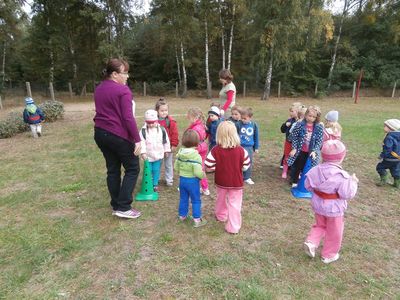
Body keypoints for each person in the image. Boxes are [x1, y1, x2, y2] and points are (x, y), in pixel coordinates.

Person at [94, 58, 142, 219]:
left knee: (113, 169)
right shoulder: (123, 90)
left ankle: (116, 204)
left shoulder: (99, 88)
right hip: (117, 135)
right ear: (114, 74)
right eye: (125, 73)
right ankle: (123, 206)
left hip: (100, 133)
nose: (127, 76)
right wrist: (137, 139)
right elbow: (128, 117)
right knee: (133, 168)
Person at [304, 139, 358, 264]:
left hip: (318, 206)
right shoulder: (342, 176)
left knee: (320, 225)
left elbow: (308, 186)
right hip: (334, 209)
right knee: (334, 231)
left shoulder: (315, 170)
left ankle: (311, 242)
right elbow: (347, 194)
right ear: (342, 157)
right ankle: (329, 255)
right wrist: (353, 182)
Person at [205, 121, 250, 234]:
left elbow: (208, 165)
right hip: (236, 182)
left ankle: (221, 215)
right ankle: (233, 227)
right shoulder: (241, 151)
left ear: (219, 135)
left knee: (221, 199)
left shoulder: (215, 150)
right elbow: (246, 166)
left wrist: (217, 168)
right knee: (235, 204)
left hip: (221, 181)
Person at [174, 129, 207, 228]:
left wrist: (182, 172)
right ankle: (197, 219)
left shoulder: (180, 154)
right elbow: (197, 172)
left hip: (182, 180)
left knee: (183, 198)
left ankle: (182, 216)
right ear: (197, 142)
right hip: (193, 181)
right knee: (196, 200)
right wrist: (203, 175)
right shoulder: (196, 156)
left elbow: (176, 167)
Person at [288, 105, 324, 188]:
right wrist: (294, 148)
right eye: (309, 115)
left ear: (317, 118)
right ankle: (294, 181)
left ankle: (308, 182)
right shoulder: (300, 125)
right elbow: (295, 137)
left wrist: (315, 150)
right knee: (298, 165)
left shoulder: (319, 127)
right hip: (300, 150)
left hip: (311, 152)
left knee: (310, 167)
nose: (311, 118)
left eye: (313, 117)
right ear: (306, 114)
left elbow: (319, 141)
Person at [139, 109, 171, 192]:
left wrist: (167, 150)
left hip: (158, 155)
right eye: (148, 123)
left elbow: (165, 141)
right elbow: (141, 143)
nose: (151, 124)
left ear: (156, 121)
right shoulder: (143, 131)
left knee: (156, 170)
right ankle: (148, 183)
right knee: (148, 170)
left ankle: (155, 184)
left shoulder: (162, 130)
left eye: (153, 122)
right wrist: (143, 152)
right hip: (148, 156)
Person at [155, 98, 179, 187]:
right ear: (157, 111)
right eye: (162, 110)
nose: (164, 112)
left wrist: (174, 144)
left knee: (168, 164)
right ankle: (155, 179)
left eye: (166, 110)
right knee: (157, 164)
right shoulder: (154, 121)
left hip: (168, 147)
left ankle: (169, 180)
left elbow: (175, 134)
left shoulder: (171, 121)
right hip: (157, 148)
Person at [186, 107, 210, 195]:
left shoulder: (195, 128)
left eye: (189, 117)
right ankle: (203, 187)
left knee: (197, 168)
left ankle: (203, 187)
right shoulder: (200, 125)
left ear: (195, 117)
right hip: (201, 147)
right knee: (200, 167)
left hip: (197, 148)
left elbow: (194, 139)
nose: (188, 119)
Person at [236, 107, 259, 185]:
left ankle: (247, 177)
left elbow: (256, 136)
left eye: (245, 118)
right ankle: (238, 175)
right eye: (242, 118)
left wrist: (256, 147)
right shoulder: (238, 124)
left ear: (250, 118)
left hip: (249, 147)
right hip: (239, 146)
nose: (243, 120)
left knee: (248, 161)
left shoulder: (254, 125)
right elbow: (235, 134)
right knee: (238, 161)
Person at [376, 119, 400, 188]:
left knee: (380, 167)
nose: (383, 127)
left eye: (385, 126)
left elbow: (388, 149)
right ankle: (397, 183)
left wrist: (382, 155)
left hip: (389, 158)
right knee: (395, 169)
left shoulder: (389, 137)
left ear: (390, 128)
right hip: (398, 159)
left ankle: (383, 179)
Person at [280, 103, 301, 178]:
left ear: (298, 112)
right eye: (290, 111)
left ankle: (294, 171)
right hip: (288, 142)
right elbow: (282, 130)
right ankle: (285, 171)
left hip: (298, 144)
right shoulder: (289, 120)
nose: (290, 113)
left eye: (292, 111)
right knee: (287, 156)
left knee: (296, 157)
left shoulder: (301, 122)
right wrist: (285, 125)